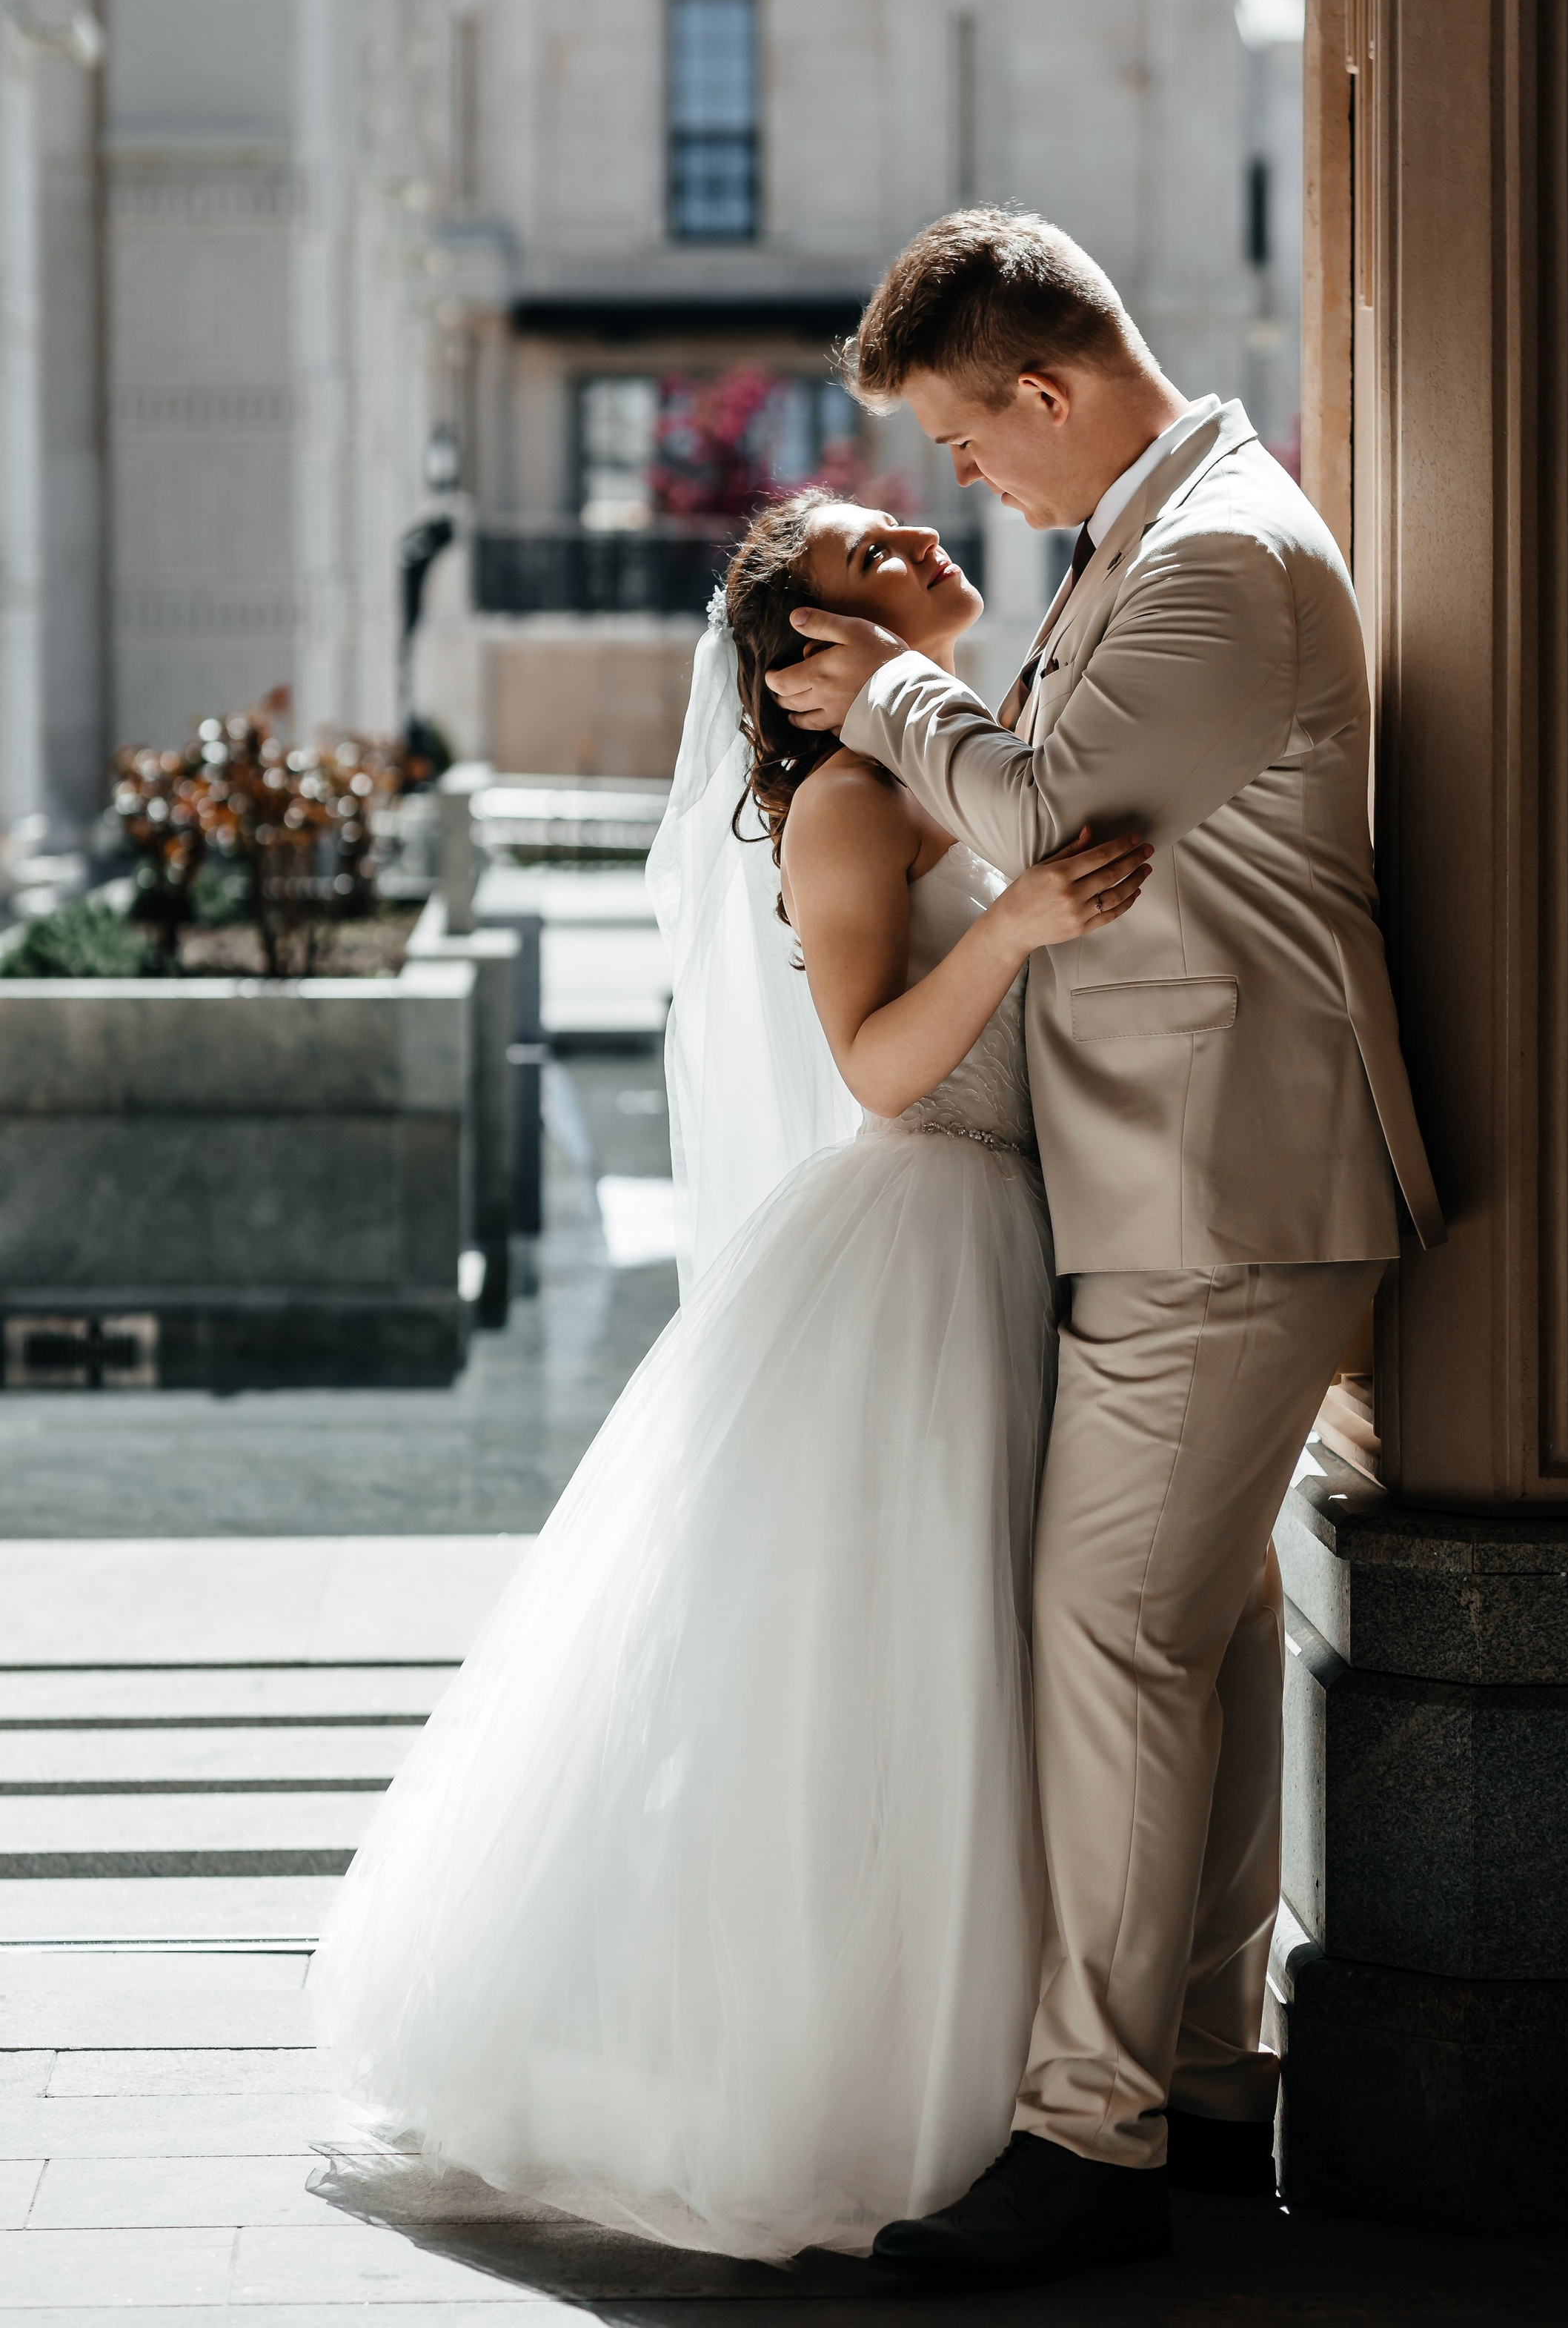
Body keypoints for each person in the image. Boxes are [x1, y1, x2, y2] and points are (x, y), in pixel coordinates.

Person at [308, 488, 1150, 2261]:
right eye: (876, 556)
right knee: (890, 1667)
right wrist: (1014, 929)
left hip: (1013, 1241)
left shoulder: (964, 762)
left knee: (971, 1665)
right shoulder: (849, 809)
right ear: (814, 655)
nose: (924, 540)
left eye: (908, 526)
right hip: (921, 1248)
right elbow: (875, 1069)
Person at [768, 208, 1444, 2287]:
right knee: (1206, 1647)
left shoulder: (1219, 552)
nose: (972, 492)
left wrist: (888, 695)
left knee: (1110, 1647)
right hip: (1197, 1188)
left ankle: (1089, 2135)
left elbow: (1053, 805)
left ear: (1047, 396)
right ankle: (1205, 2087)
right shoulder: (1147, 546)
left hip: (1224, 1194)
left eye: (974, 453)